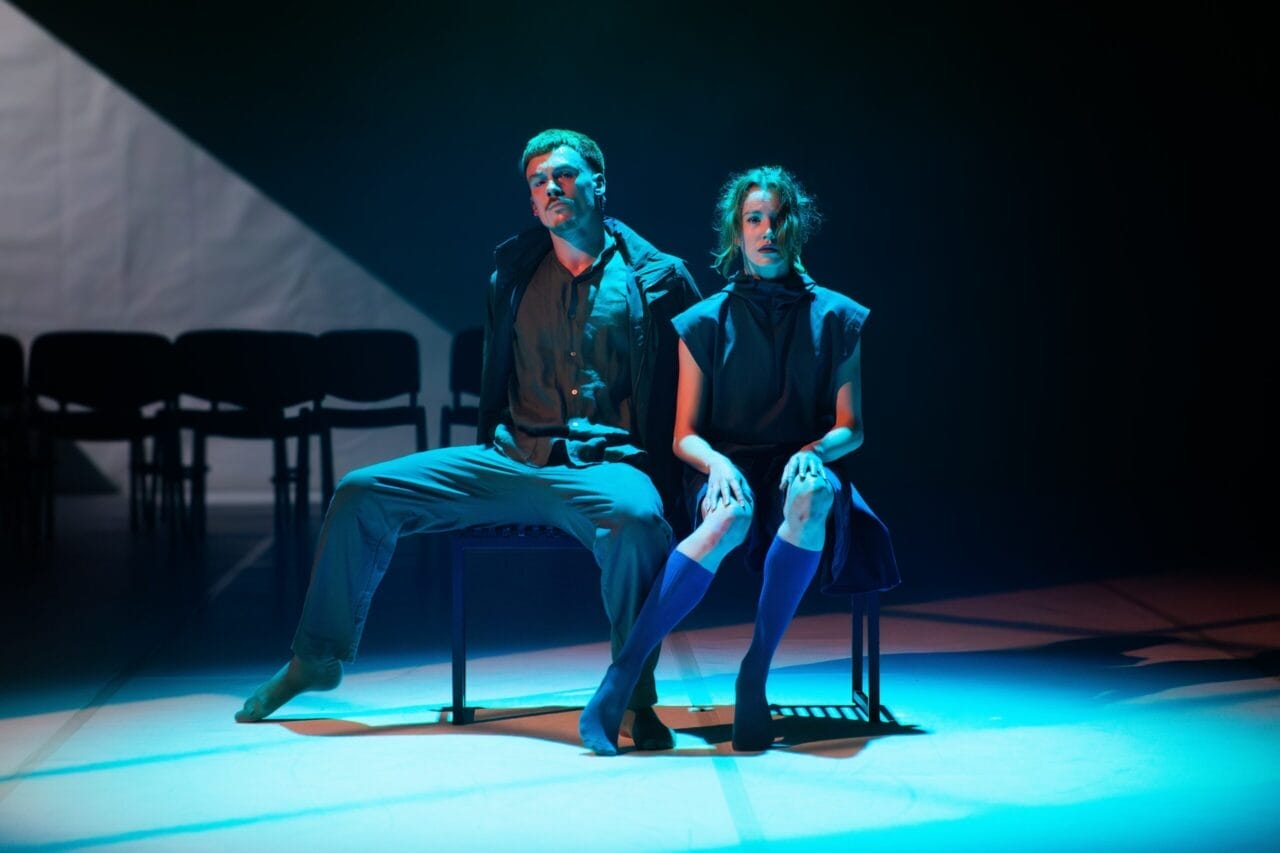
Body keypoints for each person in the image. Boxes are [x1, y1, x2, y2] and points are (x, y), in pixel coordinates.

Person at [236, 129, 702, 751]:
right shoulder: (509, 277)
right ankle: (315, 658)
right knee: (361, 492)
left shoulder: (661, 278)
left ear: (598, 183)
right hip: (509, 460)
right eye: (538, 183)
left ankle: (633, 696)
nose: (551, 188)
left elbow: (704, 380)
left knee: (639, 519)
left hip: (604, 467)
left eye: (563, 175)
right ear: (532, 205)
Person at [579, 164, 899, 755]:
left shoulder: (837, 316)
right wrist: (716, 465)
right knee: (728, 517)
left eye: (779, 219)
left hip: (800, 463)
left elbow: (850, 429)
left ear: (797, 228)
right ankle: (619, 679)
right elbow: (684, 436)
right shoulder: (704, 321)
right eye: (755, 219)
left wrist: (814, 452)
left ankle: (755, 673)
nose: (767, 230)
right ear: (737, 231)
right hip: (728, 464)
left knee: (814, 493)